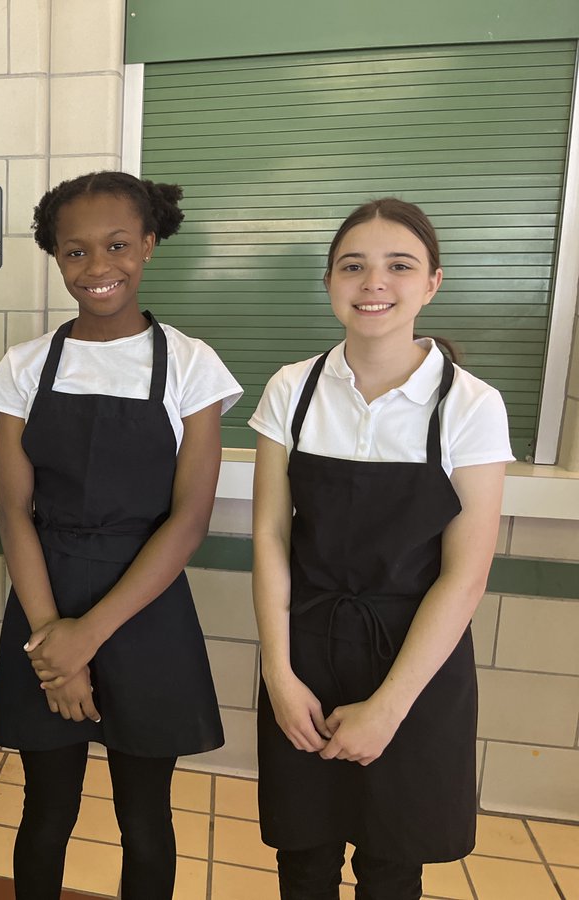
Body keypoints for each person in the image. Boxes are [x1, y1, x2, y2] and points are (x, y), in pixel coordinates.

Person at [0, 171, 240, 899]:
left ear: (149, 244)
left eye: (118, 245)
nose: (98, 266)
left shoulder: (191, 365)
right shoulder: (24, 368)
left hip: (146, 608)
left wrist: (84, 638)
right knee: (45, 812)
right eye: (76, 251)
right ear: (56, 257)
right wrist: (52, 645)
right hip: (46, 601)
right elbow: (16, 513)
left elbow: (188, 522)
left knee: (145, 819)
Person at [250, 197, 513, 899]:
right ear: (329, 282)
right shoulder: (292, 389)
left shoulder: (471, 405)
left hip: (414, 663)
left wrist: (389, 707)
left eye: (399, 266)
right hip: (306, 652)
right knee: (303, 858)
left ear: (432, 283)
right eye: (353, 266)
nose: (374, 283)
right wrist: (278, 673)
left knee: (391, 865)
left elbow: (464, 575)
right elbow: (271, 537)